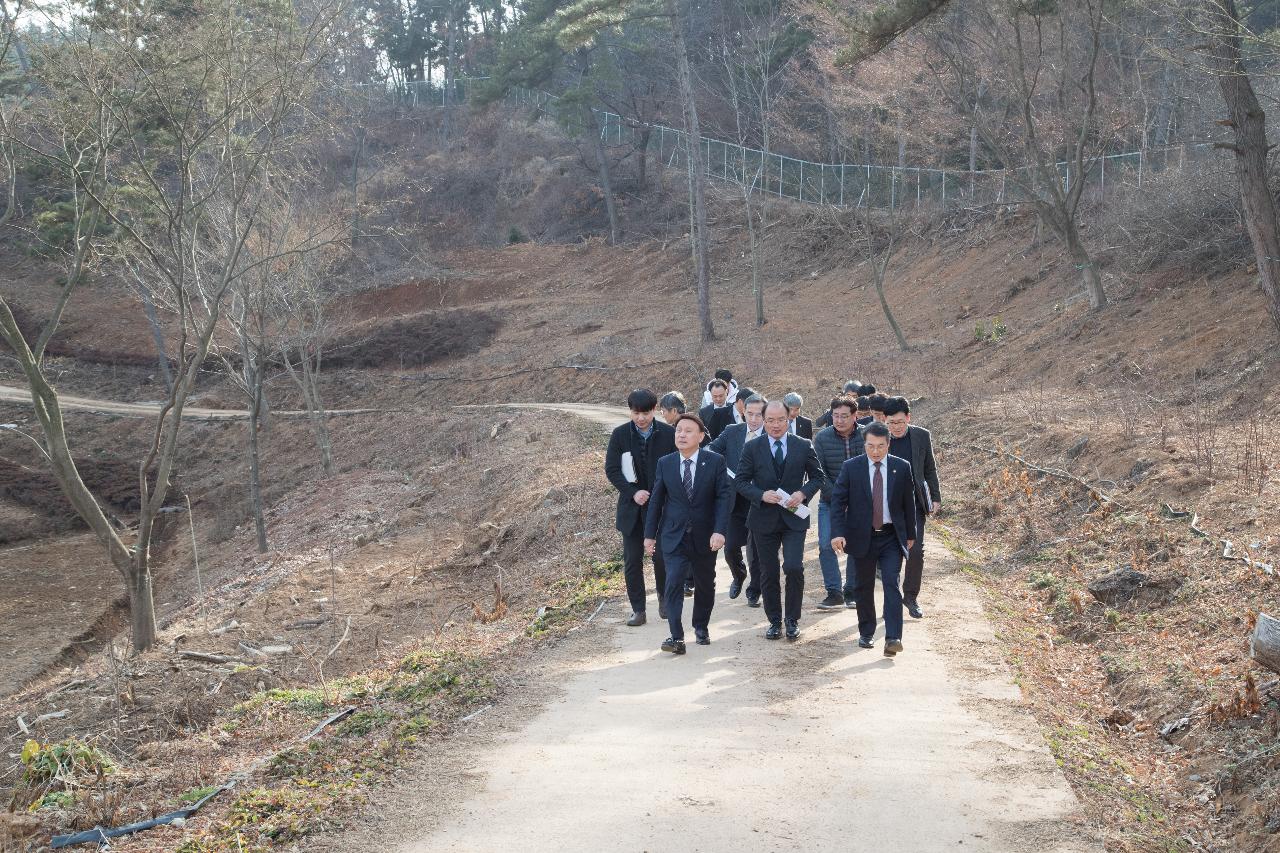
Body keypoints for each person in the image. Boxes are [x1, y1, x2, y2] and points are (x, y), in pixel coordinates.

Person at [733, 400, 826, 641]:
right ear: (763, 422)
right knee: (768, 571)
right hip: (763, 518)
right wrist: (761, 495)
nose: (775, 425)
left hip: (794, 517)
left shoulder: (803, 445)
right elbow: (740, 481)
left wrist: (803, 493)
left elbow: (818, 477)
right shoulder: (753, 448)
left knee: (793, 567)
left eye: (780, 420)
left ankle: (792, 619)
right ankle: (774, 621)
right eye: (770, 420)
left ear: (789, 419)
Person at [645, 414, 734, 654]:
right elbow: (656, 500)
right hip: (673, 534)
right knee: (673, 581)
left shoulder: (715, 461)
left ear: (701, 437)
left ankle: (701, 626)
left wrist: (719, 531)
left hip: (705, 535)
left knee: (705, 583)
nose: (682, 435)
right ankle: (676, 637)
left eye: (688, 431)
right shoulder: (666, 463)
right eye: (678, 431)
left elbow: (723, 498)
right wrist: (650, 535)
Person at [830, 421, 917, 657]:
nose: (875, 451)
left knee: (891, 583)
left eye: (880, 446)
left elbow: (909, 504)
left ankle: (893, 637)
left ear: (889, 444)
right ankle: (866, 632)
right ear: (864, 445)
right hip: (862, 535)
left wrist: (910, 533)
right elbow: (838, 502)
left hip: (891, 536)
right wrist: (837, 532)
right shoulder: (852, 468)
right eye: (871, 446)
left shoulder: (901, 467)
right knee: (864, 586)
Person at [605, 389, 677, 627]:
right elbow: (612, 470)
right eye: (636, 413)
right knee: (632, 560)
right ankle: (638, 609)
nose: (641, 418)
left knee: (662, 558)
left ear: (655, 410)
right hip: (632, 509)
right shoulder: (620, 435)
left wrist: (661, 493)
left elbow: (678, 467)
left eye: (645, 413)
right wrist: (633, 492)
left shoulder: (669, 434)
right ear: (631, 412)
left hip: (662, 507)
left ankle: (665, 600)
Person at [883, 396, 941, 619]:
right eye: (891, 423)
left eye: (899, 422)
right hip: (885, 504)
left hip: (914, 503)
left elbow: (930, 469)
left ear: (908, 417)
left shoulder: (921, 436)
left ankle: (910, 595)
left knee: (915, 551)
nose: (895, 428)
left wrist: (935, 497)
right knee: (891, 553)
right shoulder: (877, 435)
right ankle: (891, 599)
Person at [708, 393, 767, 601]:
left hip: (759, 501)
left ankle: (754, 590)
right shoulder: (732, 431)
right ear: (743, 412)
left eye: (758, 415)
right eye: (749, 414)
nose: (753, 419)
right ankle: (738, 574)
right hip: (734, 500)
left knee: (756, 550)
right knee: (731, 547)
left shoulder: (772, 435)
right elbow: (711, 450)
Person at [812, 396, 865, 609]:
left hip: (859, 502)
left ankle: (851, 590)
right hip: (829, 501)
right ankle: (834, 592)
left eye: (845, 416)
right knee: (826, 544)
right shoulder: (823, 438)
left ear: (855, 416)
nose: (840, 420)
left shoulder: (865, 434)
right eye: (835, 416)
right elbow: (818, 472)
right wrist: (837, 497)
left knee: (854, 545)